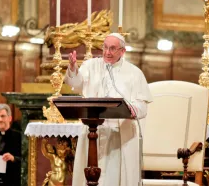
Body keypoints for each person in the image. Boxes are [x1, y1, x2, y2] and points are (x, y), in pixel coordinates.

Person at [64, 33, 153, 186]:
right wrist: (72, 68)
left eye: (112, 48)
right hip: (93, 132)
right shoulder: (91, 66)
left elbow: (142, 106)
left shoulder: (134, 73)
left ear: (122, 51)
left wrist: (133, 109)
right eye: (105, 47)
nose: (107, 52)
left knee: (114, 179)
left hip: (119, 137)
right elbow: (76, 84)